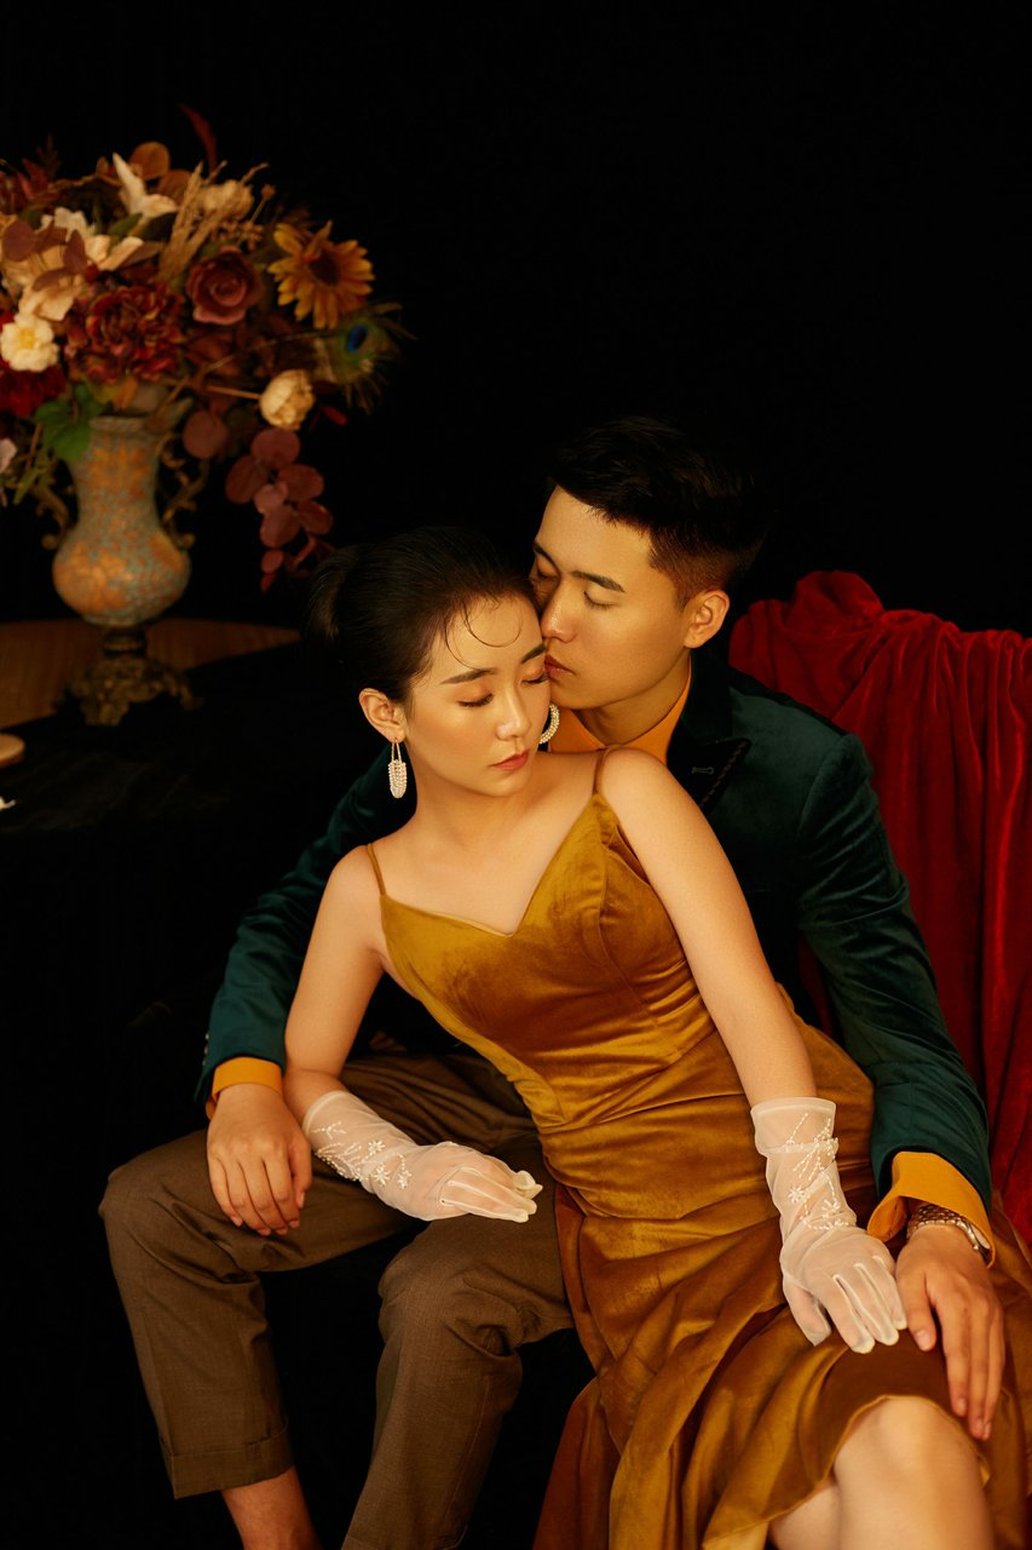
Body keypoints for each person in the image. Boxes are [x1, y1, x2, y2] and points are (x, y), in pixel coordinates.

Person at [101, 415, 1018, 1550]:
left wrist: (935, 1217)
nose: (549, 622)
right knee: (150, 1203)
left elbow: (896, 1020)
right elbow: (297, 913)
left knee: (443, 1296)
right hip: (483, 1077)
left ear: (698, 617)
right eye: (543, 576)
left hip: (700, 1123)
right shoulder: (451, 713)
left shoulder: (787, 770)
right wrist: (250, 1079)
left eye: (596, 594)